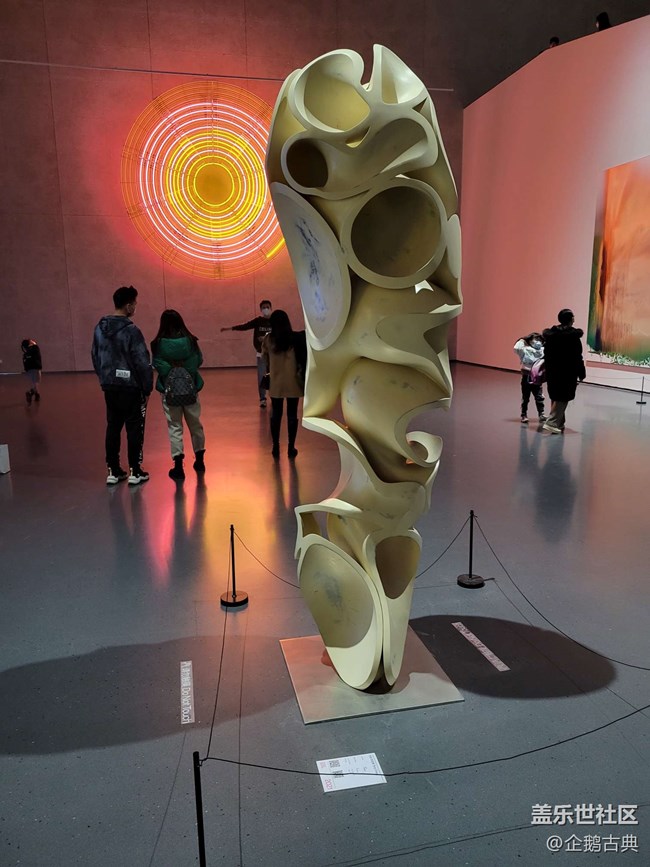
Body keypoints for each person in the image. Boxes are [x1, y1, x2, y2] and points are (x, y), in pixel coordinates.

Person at [91, 285, 153, 485]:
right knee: (134, 428)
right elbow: (142, 361)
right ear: (128, 306)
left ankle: (113, 470)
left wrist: (104, 377)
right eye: (134, 303)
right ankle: (135, 471)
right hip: (131, 387)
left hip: (110, 385)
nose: (135, 307)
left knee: (113, 426)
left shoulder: (100, 328)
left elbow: (95, 355)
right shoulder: (131, 331)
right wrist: (147, 387)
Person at [151, 310, 206, 481]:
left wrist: (171, 370)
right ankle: (199, 461)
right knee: (195, 424)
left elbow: (158, 364)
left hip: (170, 392)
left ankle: (178, 466)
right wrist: (185, 369)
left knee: (174, 426)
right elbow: (198, 360)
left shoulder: (158, 343)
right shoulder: (191, 340)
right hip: (190, 389)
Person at [261, 310, 306, 459]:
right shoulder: (294, 338)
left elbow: (265, 359)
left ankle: (275, 446)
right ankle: (291, 447)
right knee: (292, 414)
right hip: (294, 382)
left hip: (276, 383)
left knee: (276, 414)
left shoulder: (268, 340)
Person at [221, 300, 273, 408]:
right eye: (264, 307)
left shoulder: (275, 321)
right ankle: (262, 399)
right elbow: (245, 326)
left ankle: (274, 396)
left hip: (273, 354)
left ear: (271, 308)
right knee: (261, 376)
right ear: (261, 309)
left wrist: (266, 338)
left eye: (267, 307)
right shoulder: (258, 321)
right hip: (261, 353)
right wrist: (230, 328)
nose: (266, 309)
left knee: (273, 376)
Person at [542, 309, 586, 434]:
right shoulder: (573, 336)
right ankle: (552, 422)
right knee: (563, 396)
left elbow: (546, 354)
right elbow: (577, 356)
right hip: (568, 371)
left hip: (553, 370)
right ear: (571, 319)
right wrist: (581, 373)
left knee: (555, 395)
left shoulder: (551, 335)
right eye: (573, 317)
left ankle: (559, 423)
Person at [513, 332, 546, 424]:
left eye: (539, 340)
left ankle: (541, 414)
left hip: (537, 377)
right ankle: (524, 414)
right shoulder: (525, 350)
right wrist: (522, 340)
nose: (537, 342)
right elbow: (517, 348)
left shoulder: (542, 351)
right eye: (535, 339)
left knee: (539, 397)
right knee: (526, 397)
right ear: (530, 341)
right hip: (527, 376)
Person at [21, 339, 42, 405]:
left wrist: (26, 370)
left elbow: (24, 362)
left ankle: (37, 395)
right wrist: (33, 343)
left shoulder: (26, 353)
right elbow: (35, 344)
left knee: (34, 382)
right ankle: (30, 393)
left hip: (29, 370)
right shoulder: (35, 348)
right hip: (36, 368)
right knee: (36, 382)